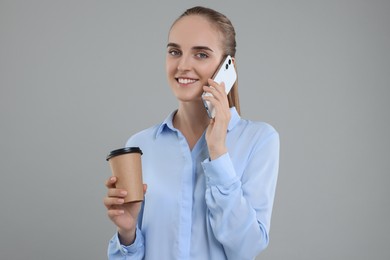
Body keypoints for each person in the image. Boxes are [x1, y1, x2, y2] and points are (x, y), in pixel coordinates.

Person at [103, 6, 280, 260]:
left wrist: (218, 152)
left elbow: (246, 248)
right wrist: (127, 231)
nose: (183, 65)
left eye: (201, 55)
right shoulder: (140, 145)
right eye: (175, 52)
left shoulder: (260, 140)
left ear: (227, 66)